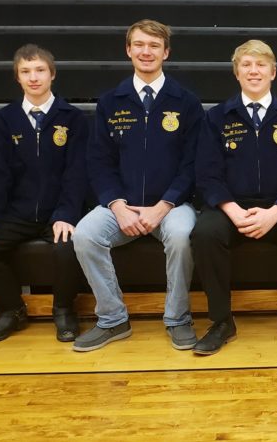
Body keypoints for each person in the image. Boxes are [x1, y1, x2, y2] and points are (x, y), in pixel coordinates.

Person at [72, 19, 204, 352]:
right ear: (128, 50)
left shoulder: (186, 102)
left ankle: (178, 318)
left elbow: (193, 164)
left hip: (173, 205)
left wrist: (164, 205)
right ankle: (113, 319)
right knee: (85, 235)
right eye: (140, 45)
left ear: (166, 52)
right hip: (122, 205)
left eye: (154, 45)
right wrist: (117, 206)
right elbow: (98, 163)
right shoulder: (110, 102)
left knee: (182, 236)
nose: (147, 52)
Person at [191, 40, 277, 355]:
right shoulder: (216, 118)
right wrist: (233, 211)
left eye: (261, 65)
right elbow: (207, 174)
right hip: (231, 207)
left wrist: (276, 211)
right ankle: (222, 321)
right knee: (204, 233)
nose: (254, 71)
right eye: (247, 65)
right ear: (236, 73)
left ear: (273, 72)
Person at [0, 44, 88, 344]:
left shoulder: (73, 118)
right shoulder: (5, 119)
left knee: (69, 246)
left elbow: (77, 174)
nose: (34, 77)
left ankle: (64, 310)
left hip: (58, 211)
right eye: (26, 72)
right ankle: (11, 310)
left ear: (52, 74)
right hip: (16, 212)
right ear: (17, 78)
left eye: (40, 70)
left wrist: (67, 214)